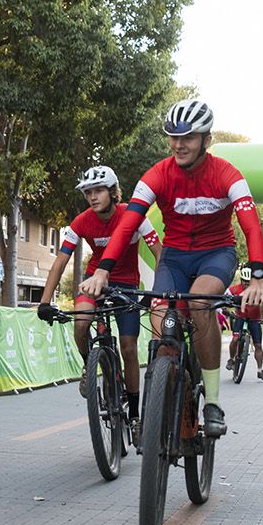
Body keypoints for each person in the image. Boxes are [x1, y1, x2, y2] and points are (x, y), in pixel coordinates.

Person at [80, 98, 263, 437]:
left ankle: (213, 402)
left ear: (206, 140)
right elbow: (127, 224)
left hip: (216, 254)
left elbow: (251, 226)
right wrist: (103, 270)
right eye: (173, 137)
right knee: (162, 325)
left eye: (188, 138)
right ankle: (164, 398)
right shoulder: (157, 174)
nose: (179, 145)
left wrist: (257, 278)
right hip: (175, 257)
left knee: (200, 302)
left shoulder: (228, 174)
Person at [37, 165, 159, 425]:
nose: (92, 197)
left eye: (99, 191)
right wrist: (45, 301)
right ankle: (89, 366)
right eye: (88, 192)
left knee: (128, 347)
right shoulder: (81, 221)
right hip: (94, 280)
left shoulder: (133, 214)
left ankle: (134, 414)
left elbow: (159, 253)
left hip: (126, 283)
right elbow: (60, 261)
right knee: (81, 323)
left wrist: (155, 292)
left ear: (113, 192)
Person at [226, 266, 263, 380]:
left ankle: (260, 370)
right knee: (235, 339)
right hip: (240, 317)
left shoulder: (258, 289)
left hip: (255, 319)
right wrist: (225, 309)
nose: (246, 283)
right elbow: (224, 299)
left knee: (258, 345)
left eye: (248, 281)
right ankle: (231, 359)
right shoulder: (233, 289)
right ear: (241, 280)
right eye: (244, 281)